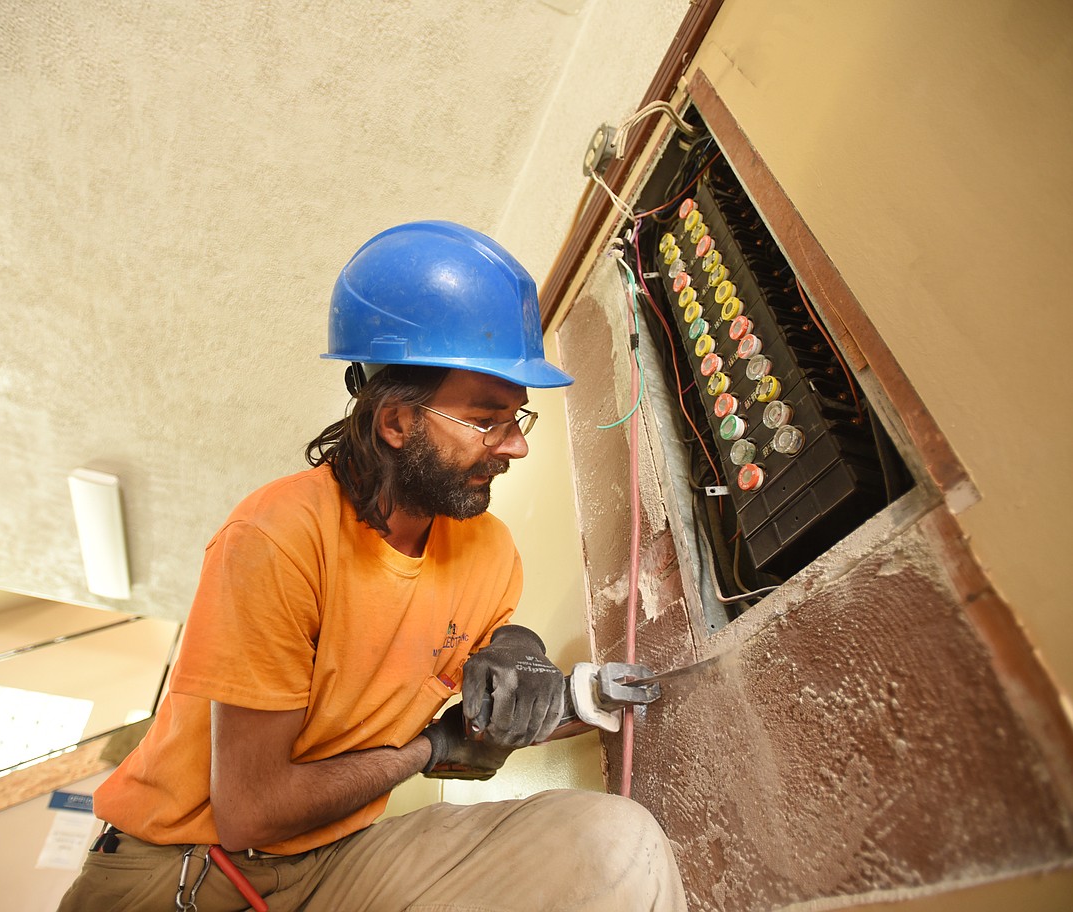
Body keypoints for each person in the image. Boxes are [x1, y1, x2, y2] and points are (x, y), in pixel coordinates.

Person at [58, 221, 686, 911]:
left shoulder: (490, 553)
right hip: (180, 871)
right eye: (487, 420)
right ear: (396, 422)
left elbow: (494, 699)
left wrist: (554, 682)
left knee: (613, 843)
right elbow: (252, 810)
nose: (514, 446)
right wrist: (428, 749)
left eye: (517, 418)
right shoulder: (277, 539)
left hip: (335, 857)